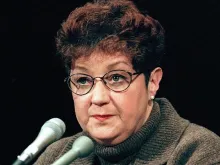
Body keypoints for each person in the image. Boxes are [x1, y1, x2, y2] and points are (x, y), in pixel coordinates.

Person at [34, 0, 220, 164]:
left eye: (116, 78)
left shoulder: (199, 153)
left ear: (153, 82)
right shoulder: (56, 157)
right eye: (83, 80)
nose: (98, 98)